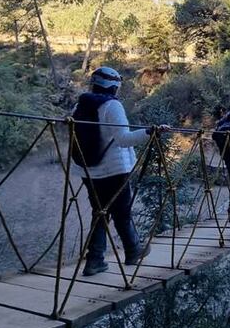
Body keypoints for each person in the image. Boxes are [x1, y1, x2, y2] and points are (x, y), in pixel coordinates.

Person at [71, 66, 168, 276]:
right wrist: (151, 132)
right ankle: (133, 250)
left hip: (88, 171)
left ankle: (95, 260)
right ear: (114, 86)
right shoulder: (111, 106)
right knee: (122, 212)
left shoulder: (80, 105)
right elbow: (124, 139)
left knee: (100, 213)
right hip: (114, 170)